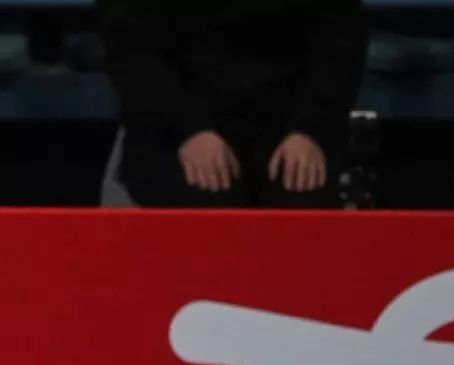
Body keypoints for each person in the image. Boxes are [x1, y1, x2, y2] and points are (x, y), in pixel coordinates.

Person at [100, 0, 368, 209]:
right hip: (180, 124)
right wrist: (189, 129)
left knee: (302, 201)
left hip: (288, 122)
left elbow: (340, 40)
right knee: (206, 203)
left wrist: (309, 130)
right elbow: (132, 49)